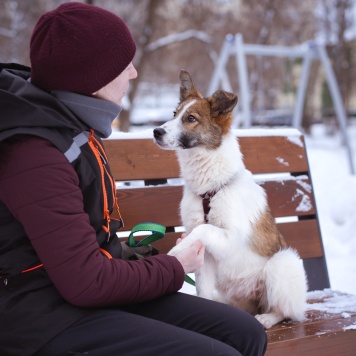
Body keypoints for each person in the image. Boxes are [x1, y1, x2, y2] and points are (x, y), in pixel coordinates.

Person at [0, 2, 267, 356]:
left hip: (75, 294)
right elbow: (87, 282)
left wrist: (128, 255)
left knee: (245, 333)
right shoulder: (36, 152)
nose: (134, 73)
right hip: (41, 316)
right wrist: (173, 266)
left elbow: (77, 245)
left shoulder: (69, 124)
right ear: (92, 75)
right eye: (123, 64)